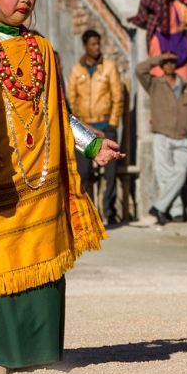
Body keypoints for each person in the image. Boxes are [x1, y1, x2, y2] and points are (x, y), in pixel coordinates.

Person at [0, 0, 117, 374]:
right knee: (0, 263)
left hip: (41, 174)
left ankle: (44, 350)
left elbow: (58, 112)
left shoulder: (43, 49)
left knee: (44, 259)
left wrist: (91, 143)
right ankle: (3, 356)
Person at [136, 52, 187, 225]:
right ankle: (177, 212)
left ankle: (158, 207)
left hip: (183, 137)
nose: (170, 66)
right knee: (165, 176)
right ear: (162, 65)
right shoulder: (155, 84)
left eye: (173, 62)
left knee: (180, 172)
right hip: (162, 135)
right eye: (166, 63)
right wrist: (158, 58)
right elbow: (139, 70)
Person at [67, 29, 123, 226]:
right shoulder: (76, 70)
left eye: (98, 44)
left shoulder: (109, 68)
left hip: (106, 124)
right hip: (85, 129)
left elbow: (117, 97)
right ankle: (91, 213)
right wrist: (81, 125)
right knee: (84, 173)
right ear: (85, 46)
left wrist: (113, 124)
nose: (96, 48)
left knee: (111, 173)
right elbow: (71, 100)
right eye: (92, 44)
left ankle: (110, 211)